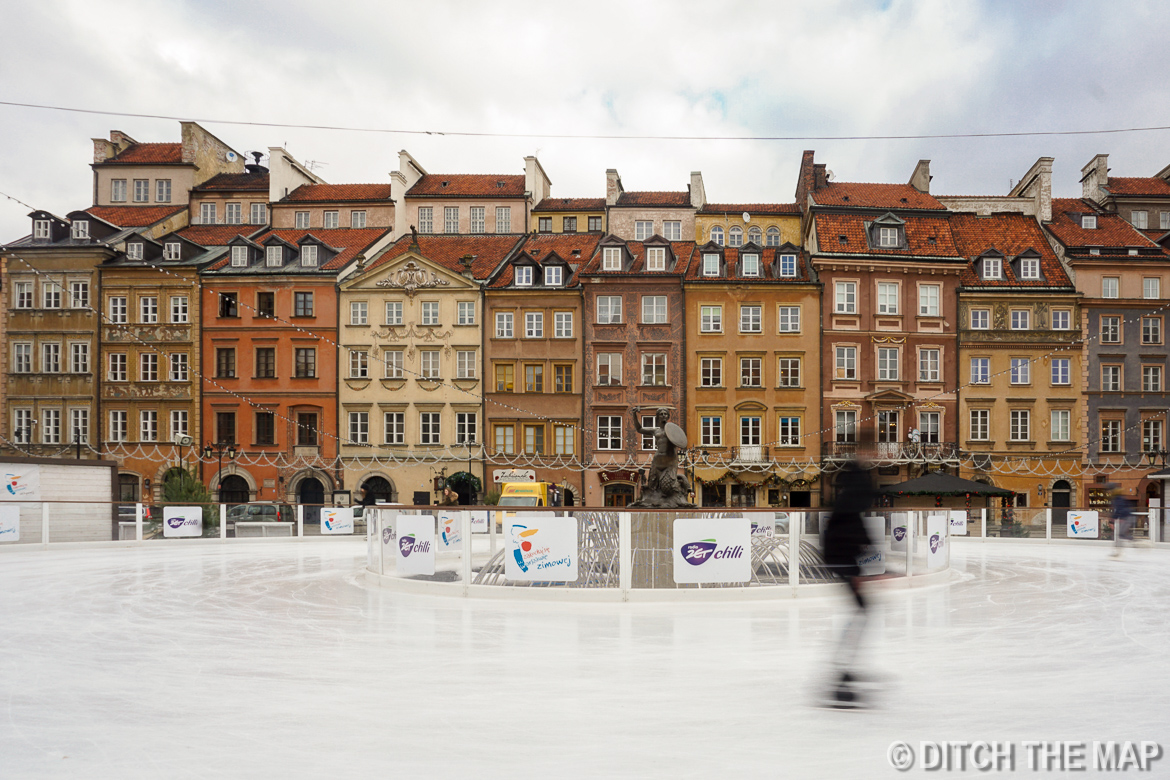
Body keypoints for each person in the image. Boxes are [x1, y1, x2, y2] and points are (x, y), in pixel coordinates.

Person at [821, 447, 877, 708]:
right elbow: (849, 530)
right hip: (840, 557)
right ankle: (841, 671)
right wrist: (854, 570)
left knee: (861, 612)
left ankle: (843, 668)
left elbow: (855, 526)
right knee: (861, 612)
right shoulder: (856, 491)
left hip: (840, 557)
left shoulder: (854, 489)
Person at [1109, 486, 1135, 559]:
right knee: (1120, 535)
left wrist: (1112, 520)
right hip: (1127, 517)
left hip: (1127, 518)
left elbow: (1118, 510)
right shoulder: (1120, 498)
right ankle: (1117, 551)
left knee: (1121, 534)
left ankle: (1136, 542)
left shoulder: (1117, 499)